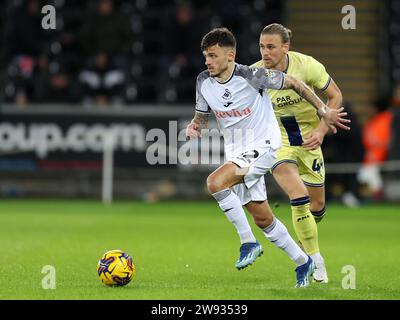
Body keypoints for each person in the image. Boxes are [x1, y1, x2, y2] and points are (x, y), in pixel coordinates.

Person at [185, 28, 350, 287]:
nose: (208, 61)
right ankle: (302, 262)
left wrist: (322, 110)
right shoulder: (203, 81)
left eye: (213, 56)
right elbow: (201, 118)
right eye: (206, 56)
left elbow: (295, 82)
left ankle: (248, 242)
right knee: (263, 217)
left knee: (216, 183)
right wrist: (194, 127)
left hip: (265, 146)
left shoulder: (253, 76)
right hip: (239, 153)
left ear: (230, 55)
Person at [243, 23, 346, 283]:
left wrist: (322, 130)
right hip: (278, 142)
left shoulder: (307, 65)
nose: (265, 52)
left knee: (317, 208)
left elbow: (335, 96)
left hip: (310, 142)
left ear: (285, 47)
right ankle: (315, 260)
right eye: (261, 47)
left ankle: (305, 240)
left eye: (271, 47)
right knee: (298, 197)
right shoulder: (256, 74)